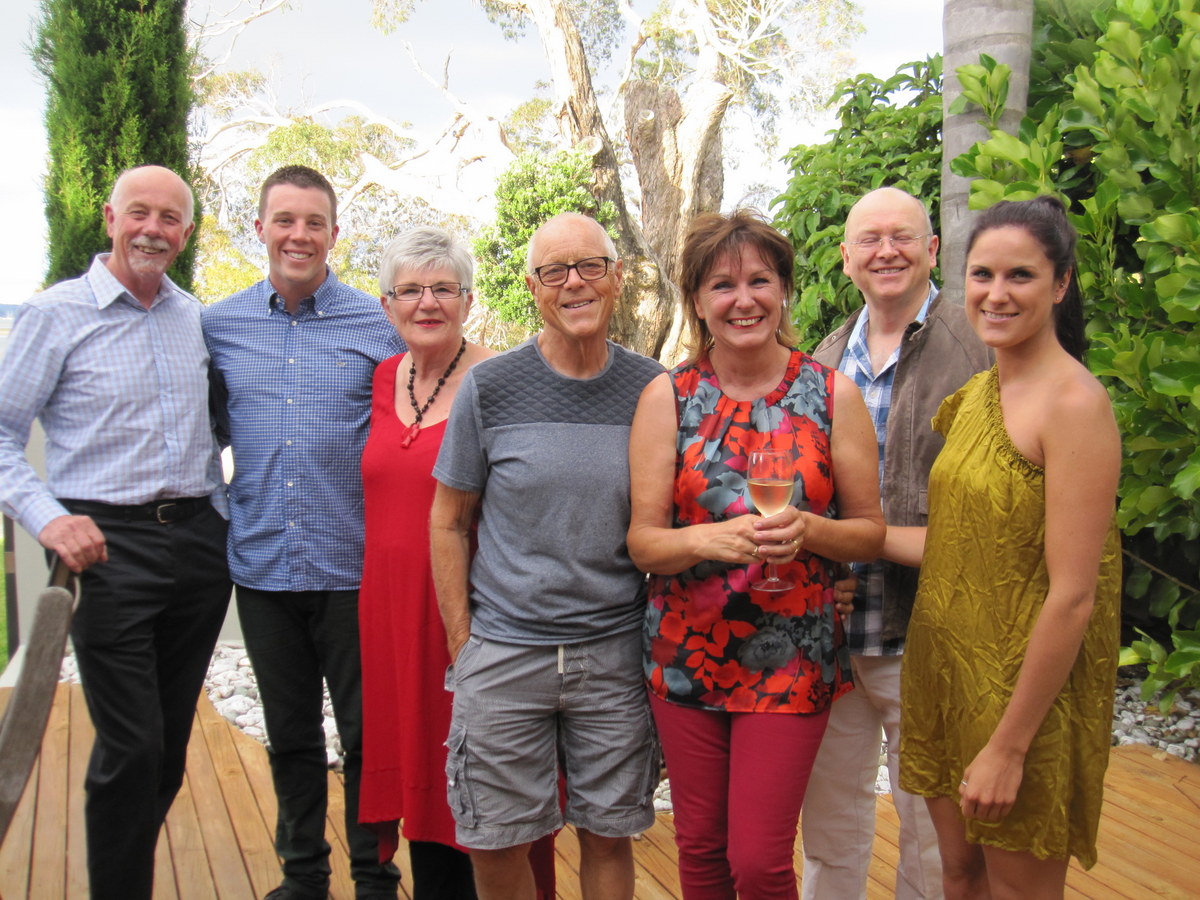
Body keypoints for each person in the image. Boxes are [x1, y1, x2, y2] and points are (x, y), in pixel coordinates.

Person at [627, 209, 886, 899]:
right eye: (723, 285)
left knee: (759, 861)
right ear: (698, 301)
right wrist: (700, 540)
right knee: (701, 850)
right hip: (686, 653)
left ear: (784, 291)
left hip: (793, 653)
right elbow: (642, 540)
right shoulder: (667, 398)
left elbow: (869, 532)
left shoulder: (831, 394)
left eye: (760, 281)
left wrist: (810, 531)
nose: (743, 300)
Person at [0, 165, 232, 900]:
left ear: (186, 233)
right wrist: (48, 517)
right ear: (110, 218)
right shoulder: (55, 315)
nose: (152, 230)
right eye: (139, 213)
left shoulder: (194, 318)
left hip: (199, 546)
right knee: (131, 747)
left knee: (165, 753)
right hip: (107, 551)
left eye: (169, 218)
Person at [886, 195, 1121, 898]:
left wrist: (1010, 747)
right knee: (959, 876)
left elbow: (1073, 596)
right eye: (982, 274)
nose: (996, 293)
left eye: (1021, 275)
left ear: (1061, 283)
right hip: (948, 677)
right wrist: (835, 537)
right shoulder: (978, 393)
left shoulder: (1074, 405)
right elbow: (961, 542)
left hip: (1024, 698)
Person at [430, 212, 662, 900]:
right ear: (533, 287)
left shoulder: (654, 389)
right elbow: (448, 521)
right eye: (554, 271)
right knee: (496, 842)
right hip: (505, 653)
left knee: (609, 835)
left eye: (590, 266)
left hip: (613, 654)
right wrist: (465, 645)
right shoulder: (490, 387)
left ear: (617, 278)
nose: (574, 283)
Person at [202, 165, 403, 900]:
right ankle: (303, 875)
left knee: (367, 735)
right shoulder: (218, 326)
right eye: (284, 220)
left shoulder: (378, 325)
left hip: (354, 569)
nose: (298, 235)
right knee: (289, 736)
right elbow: (202, 432)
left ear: (334, 234)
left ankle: (374, 877)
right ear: (259, 228)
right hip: (262, 568)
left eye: (313, 222)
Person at [802, 186, 992, 900]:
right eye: (870, 239)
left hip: (930, 630)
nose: (887, 251)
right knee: (829, 827)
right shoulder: (823, 359)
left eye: (903, 236)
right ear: (846, 258)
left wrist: (863, 539)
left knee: (933, 837)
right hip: (838, 630)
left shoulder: (977, 347)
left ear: (933, 250)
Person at [358, 226, 556, 899]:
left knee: (487, 787)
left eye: (443, 288)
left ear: (468, 301)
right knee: (422, 779)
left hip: (472, 617)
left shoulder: (502, 381)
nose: (427, 303)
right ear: (387, 305)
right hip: (392, 616)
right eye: (410, 290)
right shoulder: (384, 378)